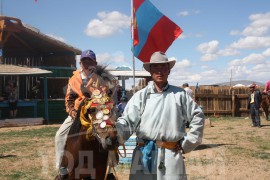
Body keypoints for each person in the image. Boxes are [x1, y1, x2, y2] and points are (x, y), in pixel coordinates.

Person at [115, 51, 205, 179]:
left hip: (170, 154)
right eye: (156, 67)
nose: (159, 71)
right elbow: (127, 121)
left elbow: (198, 116)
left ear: (168, 70)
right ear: (150, 71)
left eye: (163, 67)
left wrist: (188, 142)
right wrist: (114, 133)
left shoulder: (180, 95)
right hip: (143, 154)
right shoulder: (141, 96)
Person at [55, 50, 99, 177]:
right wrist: (73, 112)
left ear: (94, 63)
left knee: (110, 136)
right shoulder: (74, 79)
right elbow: (69, 99)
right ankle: (62, 170)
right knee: (59, 136)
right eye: (84, 61)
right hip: (76, 115)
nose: (86, 63)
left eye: (89, 61)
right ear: (80, 63)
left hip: (96, 115)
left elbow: (105, 98)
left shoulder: (101, 79)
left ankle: (111, 169)